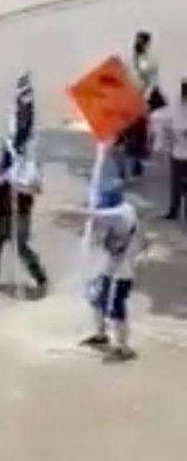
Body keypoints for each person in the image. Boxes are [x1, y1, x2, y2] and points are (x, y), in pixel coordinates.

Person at [77, 183, 143, 361]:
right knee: (97, 298)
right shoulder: (126, 208)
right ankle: (101, 335)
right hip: (113, 266)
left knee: (116, 307)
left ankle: (124, 347)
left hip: (123, 270)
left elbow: (95, 214)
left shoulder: (121, 213)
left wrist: (64, 210)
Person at [0, 136, 48, 294]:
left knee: (22, 248)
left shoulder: (29, 167)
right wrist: (1, 175)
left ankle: (40, 279)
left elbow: (37, 189)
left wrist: (18, 184)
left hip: (21, 214)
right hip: (0, 214)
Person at [120, 31, 162, 179]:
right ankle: (124, 167)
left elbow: (152, 83)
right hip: (127, 101)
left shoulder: (150, 61)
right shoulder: (128, 59)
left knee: (138, 135)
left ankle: (136, 163)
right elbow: (121, 77)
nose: (139, 44)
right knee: (124, 135)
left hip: (139, 102)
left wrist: (145, 99)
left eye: (142, 42)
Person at [153, 78, 187, 222]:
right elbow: (164, 121)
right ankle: (174, 210)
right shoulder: (176, 106)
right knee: (176, 185)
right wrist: (167, 141)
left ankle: (180, 212)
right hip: (177, 152)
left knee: (183, 185)